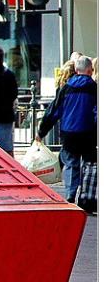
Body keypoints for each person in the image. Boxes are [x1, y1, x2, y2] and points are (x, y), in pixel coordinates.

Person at [36, 55, 97, 203]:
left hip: (69, 134)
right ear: (90, 71)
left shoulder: (66, 88)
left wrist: (41, 132)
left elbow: (53, 112)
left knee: (70, 164)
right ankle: (85, 196)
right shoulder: (95, 89)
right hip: (88, 133)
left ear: (76, 70)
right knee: (89, 165)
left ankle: (70, 193)